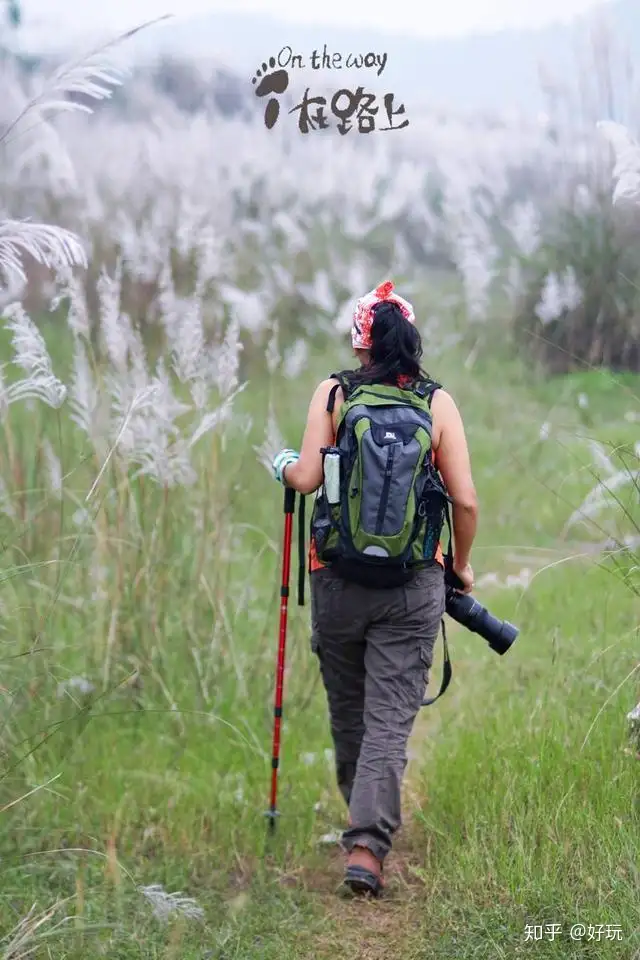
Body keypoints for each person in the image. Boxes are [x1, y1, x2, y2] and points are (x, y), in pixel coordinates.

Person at [271, 280, 478, 897]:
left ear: (360, 342)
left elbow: (307, 478)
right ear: (411, 341)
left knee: (350, 711)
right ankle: (367, 846)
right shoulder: (437, 404)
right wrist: (461, 568)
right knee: (390, 718)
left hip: (334, 578)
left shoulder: (334, 393)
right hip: (413, 585)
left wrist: (281, 464)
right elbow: (464, 500)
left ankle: (361, 822)